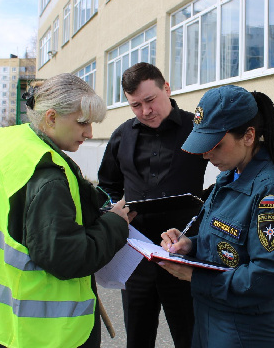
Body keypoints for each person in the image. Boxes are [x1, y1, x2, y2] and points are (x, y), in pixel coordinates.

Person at [0, 73, 135, 348]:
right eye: (82, 122)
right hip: (33, 332)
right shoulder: (49, 177)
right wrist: (115, 224)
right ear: (51, 117)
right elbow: (68, 256)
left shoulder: (15, 147)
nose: (90, 133)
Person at [160, 85, 274, 348]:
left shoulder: (271, 191)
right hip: (207, 318)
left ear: (248, 136)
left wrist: (194, 276)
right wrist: (190, 243)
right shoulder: (229, 177)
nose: (205, 154)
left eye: (215, 145)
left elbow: (266, 277)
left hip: (242, 330)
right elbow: (223, 241)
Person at [98, 63, 208, 348]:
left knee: (190, 338)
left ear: (167, 89)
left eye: (150, 100)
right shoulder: (122, 135)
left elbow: (227, 168)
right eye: (135, 105)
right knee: (137, 338)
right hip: (135, 258)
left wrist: (207, 204)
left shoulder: (198, 129)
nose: (145, 111)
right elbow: (107, 185)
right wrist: (113, 211)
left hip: (184, 253)